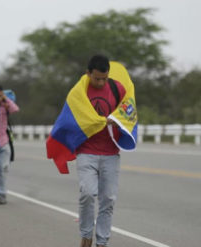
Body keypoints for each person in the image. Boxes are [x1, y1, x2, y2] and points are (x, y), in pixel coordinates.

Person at [76, 55, 127, 247]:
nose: (100, 82)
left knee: (108, 200)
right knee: (87, 193)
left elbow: (128, 111)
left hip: (110, 152)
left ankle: (102, 242)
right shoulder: (79, 91)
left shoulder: (117, 89)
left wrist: (119, 118)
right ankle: (86, 235)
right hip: (86, 150)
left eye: (104, 78)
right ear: (88, 73)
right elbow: (72, 116)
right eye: (96, 78)